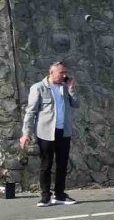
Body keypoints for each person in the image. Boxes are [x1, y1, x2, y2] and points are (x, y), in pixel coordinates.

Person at [20, 62, 80, 207]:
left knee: (62, 164)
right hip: (46, 132)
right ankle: (45, 196)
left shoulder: (65, 88)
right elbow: (31, 111)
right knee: (46, 164)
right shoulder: (38, 88)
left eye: (65, 72)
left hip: (64, 131)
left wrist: (71, 88)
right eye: (61, 73)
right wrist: (25, 133)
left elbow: (76, 104)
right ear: (51, 72)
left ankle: (60, 195)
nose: (64, 75)